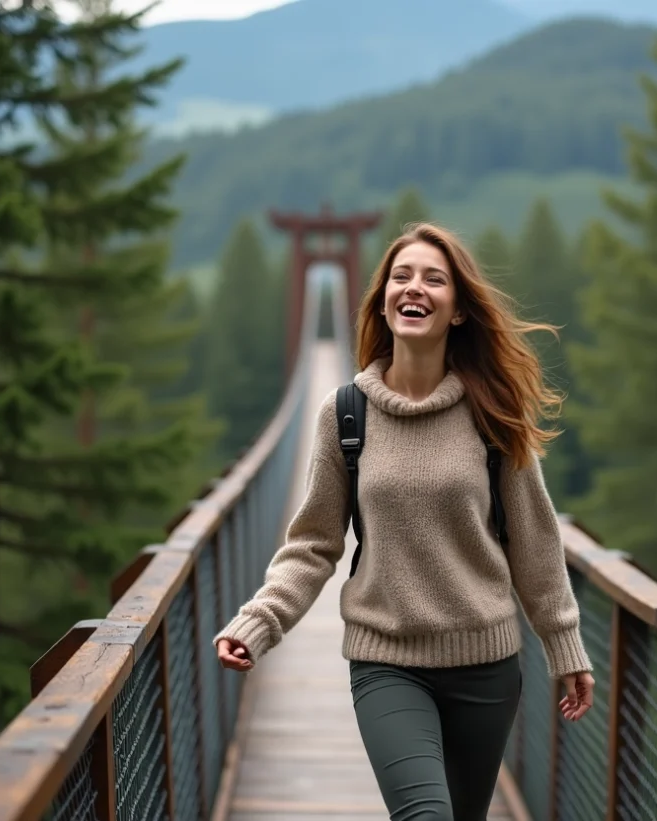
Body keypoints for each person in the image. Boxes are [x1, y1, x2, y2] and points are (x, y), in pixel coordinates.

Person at [213, 222, 595, 821]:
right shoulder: (344, 414)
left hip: (485, 667)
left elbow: (534, 540)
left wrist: (564, 644)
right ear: (384, 301)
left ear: (459, 310)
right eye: (401, 276)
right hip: (387, 661)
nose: (414, 287)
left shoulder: (494, 414)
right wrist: (259, 621)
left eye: (434, 279)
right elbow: (313, 544)